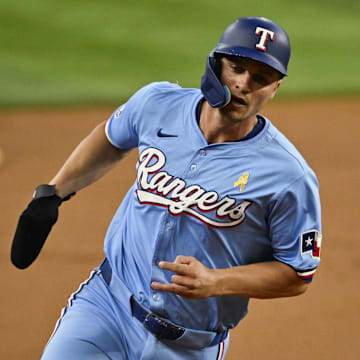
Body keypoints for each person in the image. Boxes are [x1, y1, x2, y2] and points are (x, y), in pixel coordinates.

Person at [11, 16, 322, 359]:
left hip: (191, 345)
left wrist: (217, 281)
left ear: (275, 88)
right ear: (216, 63)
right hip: (107, 308)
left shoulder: (289, 176)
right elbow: (112, 138)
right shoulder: (157, 104)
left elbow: (296, 273)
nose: (244, 84)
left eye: (260, 78)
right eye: (236, 68)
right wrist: (56, 191)